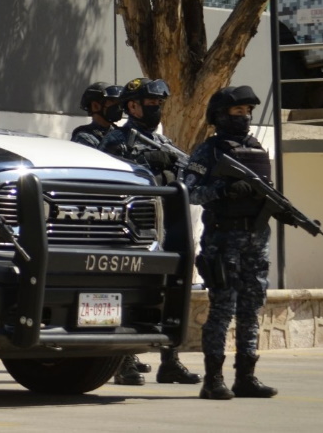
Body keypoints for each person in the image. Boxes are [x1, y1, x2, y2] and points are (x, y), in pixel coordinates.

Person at [99, 77, 202, 386]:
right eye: (151, 104)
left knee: (169, 295)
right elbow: (109, 180)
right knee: (128, 294)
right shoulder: (116, 140)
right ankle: (124, 361)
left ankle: (170, 361)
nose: (157, 109)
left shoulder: (165, 143)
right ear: (132, 106)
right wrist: (141, 162)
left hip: (166, 229)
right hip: (133, 231)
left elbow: (191, 185)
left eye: (160, 104)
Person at [184, 85, 278, 400]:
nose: (245, 117)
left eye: (248, 112)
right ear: (221, 115)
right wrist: (223, 191)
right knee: (223, 307)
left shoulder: (256, 148)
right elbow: (190, 190)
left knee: (251, 307)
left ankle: (246, 377)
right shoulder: (208, 151)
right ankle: (213, 380)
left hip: (256, 238)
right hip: (223, 240)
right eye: (238, 111)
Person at [70, 82, 123, 149]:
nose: (118, 107)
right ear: (95, 106)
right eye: (113, 101)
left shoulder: (121, 133)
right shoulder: (84, 137)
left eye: (119, 103)